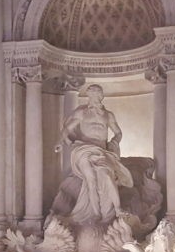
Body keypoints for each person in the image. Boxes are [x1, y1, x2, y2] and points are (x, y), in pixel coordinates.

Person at [54, 84, 133, 225]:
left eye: (98, 95)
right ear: (89, 97)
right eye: (93, 95)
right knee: (90, 178)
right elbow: (67, 128)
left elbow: (118, 133)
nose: (96, 98)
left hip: (101, 150)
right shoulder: (81, 112)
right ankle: (96, 214)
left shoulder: (108, 115)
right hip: (84, 149)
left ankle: (118, 209)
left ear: (101, 96)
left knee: (107, 176)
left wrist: (114, 143)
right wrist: (61, 141)